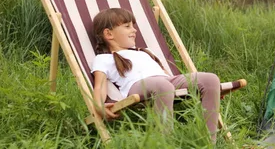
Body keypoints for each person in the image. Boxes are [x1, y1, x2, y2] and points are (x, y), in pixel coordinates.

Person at [91, 8, 221, 141]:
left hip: (166, 81)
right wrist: (99, 105)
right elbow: (99, 86)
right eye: (127, 26)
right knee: (163, 85)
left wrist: (210, 93)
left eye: (133, 26)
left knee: (210, 79)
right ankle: (165, 146)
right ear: (108, 34)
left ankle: (210, 144)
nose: (134, 30)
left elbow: (165, 74)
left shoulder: (144, 52)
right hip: (137, 86)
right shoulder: (104, 58)